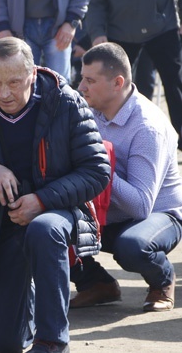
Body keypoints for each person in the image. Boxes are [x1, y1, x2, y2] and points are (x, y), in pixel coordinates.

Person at [0, 37, 110, 352]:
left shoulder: (65, 102)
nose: (3, 93)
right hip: (2, 221)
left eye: (14, 82)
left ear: (33, 74)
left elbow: (97, 172)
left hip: (59, 211)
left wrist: (41, 201)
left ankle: (52, 340)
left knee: (44, 230)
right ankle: (24, 314)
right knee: (7, 342)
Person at [70, 43, 182, 312]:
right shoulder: (88, 110)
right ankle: (97, 285)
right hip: (106, 212)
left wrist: (100, 164)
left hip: (158, 215)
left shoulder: (147, 126)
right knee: (49, 225)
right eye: (81, 77)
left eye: (89, 80)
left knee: (132, 246)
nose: (81, 87)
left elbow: (140, 206)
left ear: (117, 83)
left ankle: (162, 281)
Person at [84, 0, 182, 150]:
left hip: (162, 29)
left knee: (175, 85)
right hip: (119, 33)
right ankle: (113, 139)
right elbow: (95, 2)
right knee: (115, 89)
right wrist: (97, 32)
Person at [0, 0, 93, 82]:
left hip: (59, 26)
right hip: (19, 29)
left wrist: (72, 21)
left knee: (61, 84)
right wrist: (2, 26)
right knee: (21, 83)